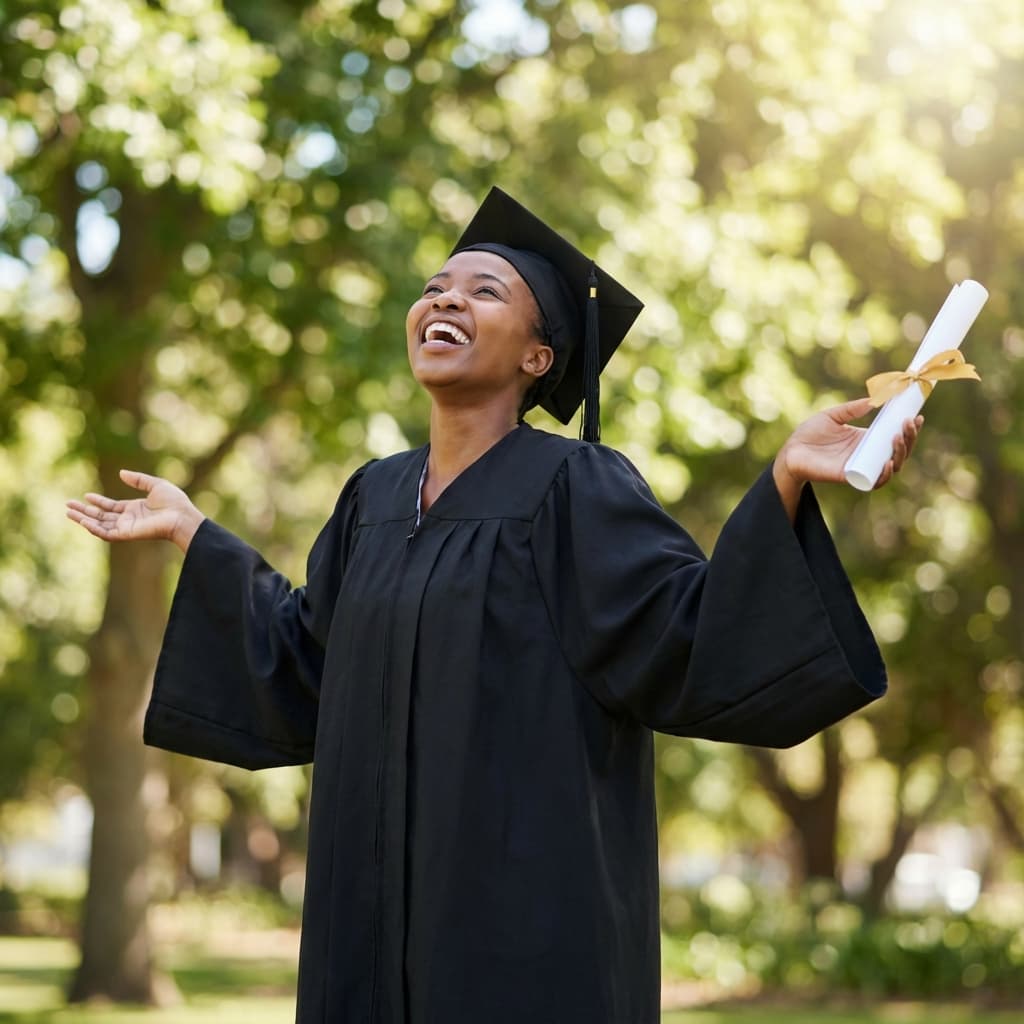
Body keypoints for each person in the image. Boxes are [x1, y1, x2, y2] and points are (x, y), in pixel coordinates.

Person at [67, 188, 921, 1024]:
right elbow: (305, 660)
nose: (445, 298)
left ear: (537, 358)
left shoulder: (575, 486)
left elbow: (684, 634)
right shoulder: (373, 496)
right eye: (436, 287)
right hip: (363, 924)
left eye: (484, 290)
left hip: (525, 922)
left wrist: (780, 482)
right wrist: (198, 538)